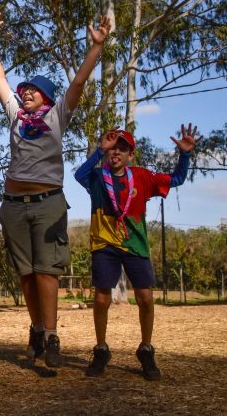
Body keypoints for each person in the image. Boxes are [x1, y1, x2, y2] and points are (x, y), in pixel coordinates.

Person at [0, 9, 110, 368]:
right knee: (26, 273)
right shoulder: (15, 115)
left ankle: (51, 335)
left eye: (34, 90)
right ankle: (36, 327)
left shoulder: (57, 116)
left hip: (49, 202)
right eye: (25, 90)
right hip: (14, 204)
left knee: (46, 271)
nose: (26, 93)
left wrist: (95, 49)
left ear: (48, 98)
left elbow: (78, 84)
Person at [75, 125, 199, 380]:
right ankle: (101, 348)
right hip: (104, 245)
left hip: (135, 245)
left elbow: (176, 179)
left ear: (131, 155)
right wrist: (100, 149)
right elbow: (79, 174)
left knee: (145, 298)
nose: (116, 152)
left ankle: (145, 349)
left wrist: (184, 155)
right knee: (101, 299)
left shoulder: (141, 176)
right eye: (113, 148)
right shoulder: (97, 177)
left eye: (122, 149)